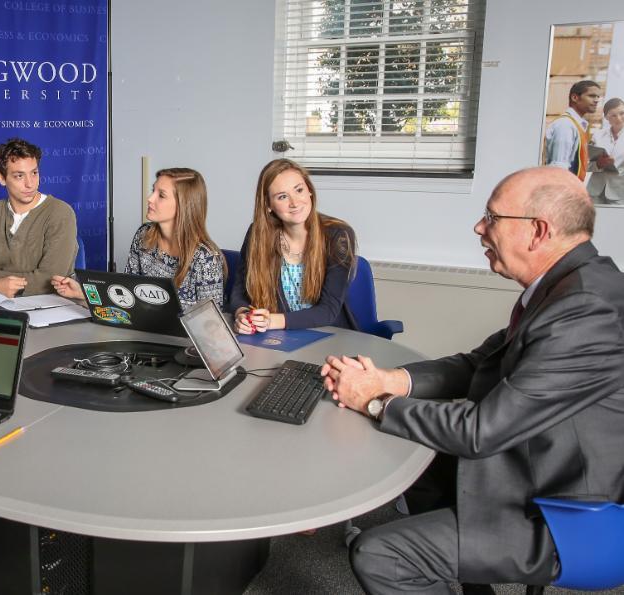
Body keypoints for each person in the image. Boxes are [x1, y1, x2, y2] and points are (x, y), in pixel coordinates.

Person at [321, 167, 624, 594]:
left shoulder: (584, 310)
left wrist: (375, 402)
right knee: (418, 464)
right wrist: (392, 379)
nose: (479, 227)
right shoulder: (567, 286)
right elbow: (475, 364)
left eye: (492, 217)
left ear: (537, 231)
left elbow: (481, 432)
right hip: (540, 458)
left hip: (570, 512)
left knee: (379, 555)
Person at [51, 167, 225, 311]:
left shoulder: (206, 257)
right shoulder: (144, 235)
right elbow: (126, 294)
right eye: (153, 190)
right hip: (141, 333)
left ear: (184, 205)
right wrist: (83, 293)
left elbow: (211, 323)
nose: (150, 198)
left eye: (161, 195)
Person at [227, 158, 356, 334]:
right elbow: (239, 291)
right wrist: (243, 315)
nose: (294, 203)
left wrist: (270, 321)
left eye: (299, 190)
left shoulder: (338, 235)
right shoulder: (258, 234)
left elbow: (328, 311)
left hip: (328, 335)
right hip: (278, 336)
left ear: (309, 191)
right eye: (282, 197)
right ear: (268, 205)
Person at [0, 137, 78, 297]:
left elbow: (49, 280)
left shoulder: (61, 213)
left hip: (49, 308)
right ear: (2, 178)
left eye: (34, 173)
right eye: (19, 176)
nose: (30, 184)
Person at [544, 80, 602, 181]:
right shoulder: (566, 125)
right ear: (575, 97)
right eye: (592, 96)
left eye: (598, 97)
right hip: (562, 189)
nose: (597, 100)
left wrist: (599, 164)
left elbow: (576, 166)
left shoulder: (576, 125)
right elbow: (559, 168)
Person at [588, 96, 624, 205]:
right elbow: (586, 164)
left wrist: (617, 167)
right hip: (595, 192)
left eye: (622, 113)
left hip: (620, 194)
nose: (618, 118)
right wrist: (598, 164)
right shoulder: (597, 136)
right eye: (613, 115)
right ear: (606, 117)